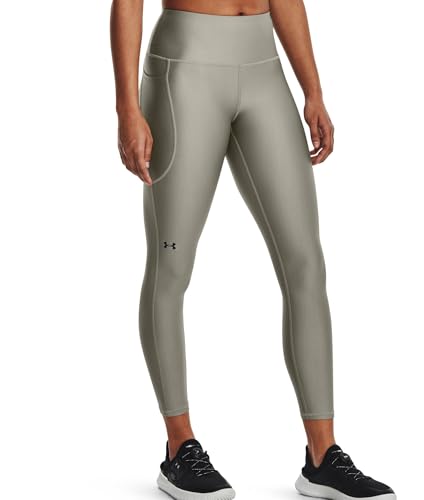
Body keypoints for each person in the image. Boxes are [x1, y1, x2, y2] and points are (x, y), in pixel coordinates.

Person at [110, 1, 396, 499]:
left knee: (305, 263)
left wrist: (313, 90)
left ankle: (322, 456)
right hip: (185, 68)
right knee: (171, 264)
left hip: (264, 69)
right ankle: (179, 449)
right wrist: (126, 108)